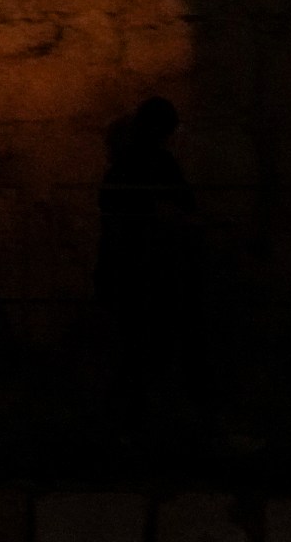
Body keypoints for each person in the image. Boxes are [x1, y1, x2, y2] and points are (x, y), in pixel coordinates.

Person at [97, 96, 207, 426]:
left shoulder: (119, 168)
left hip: (124, 267)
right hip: (152, 268)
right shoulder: (160, 164)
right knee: (154, 344)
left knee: (131, 346)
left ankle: (126, 418)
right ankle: (148, 417)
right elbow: (185, 203)